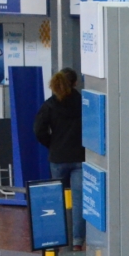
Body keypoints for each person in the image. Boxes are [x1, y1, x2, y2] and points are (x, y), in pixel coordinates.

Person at [33, 68, 85, 246]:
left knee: (57, 199)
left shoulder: (49, 105)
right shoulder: (84, 102)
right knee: (79, 201)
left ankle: (59, 237)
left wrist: (51, 144)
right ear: (75, 83)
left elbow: (39, 130)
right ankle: (77, 240)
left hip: (58, 157)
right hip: (80, 157)